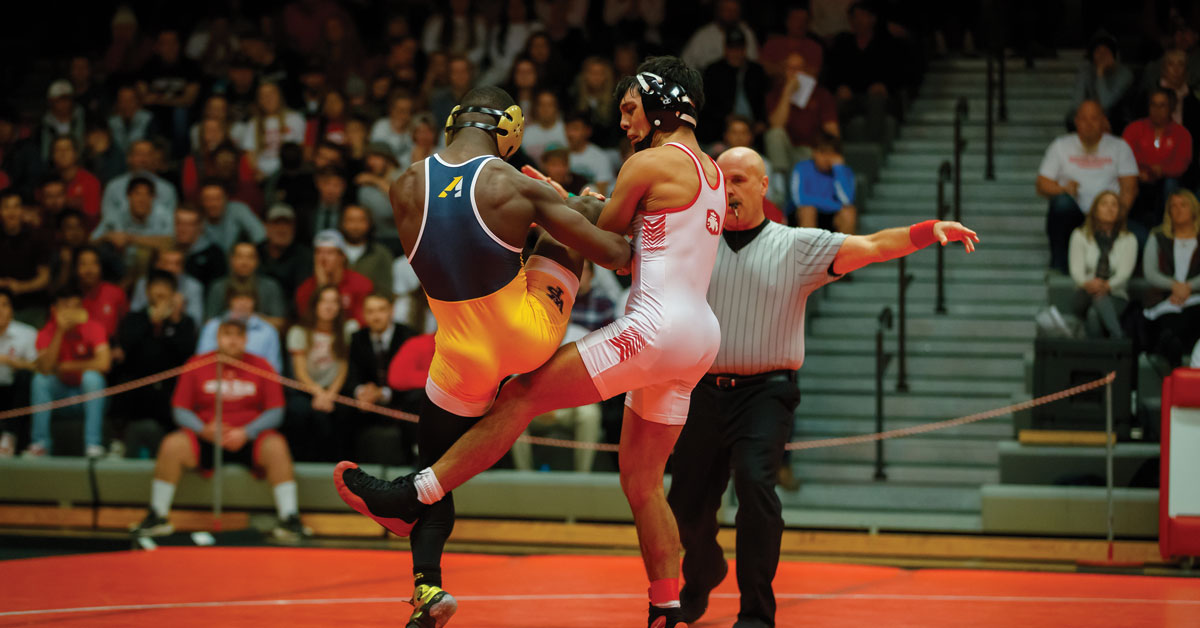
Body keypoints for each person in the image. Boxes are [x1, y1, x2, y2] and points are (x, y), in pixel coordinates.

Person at [337, 57, 734, 628]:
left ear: (658, 99)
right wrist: (553, 203)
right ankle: (666, 607)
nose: (624, 124)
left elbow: (611, 241)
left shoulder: (648, 162)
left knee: (523, 396)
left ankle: (413, 493)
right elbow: (611, 231)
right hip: (699, 337)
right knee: (643, 484)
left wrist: (561, 201)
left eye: (629, 109)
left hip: (650, 330)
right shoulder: (713, 171)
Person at [333, 84, 630, 628]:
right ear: (511, 131)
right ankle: (427, 592)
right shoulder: (510, 184)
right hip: (528, 330)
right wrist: (583, 206)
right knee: (585, 211)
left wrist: (544, 212)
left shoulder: (404, 185)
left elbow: (458, 240)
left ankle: (428, 585)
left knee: (433, 467)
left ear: (451, 124)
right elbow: (615, 256)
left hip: (457, 352)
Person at [669, 146, 978, 628]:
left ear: (764, 186)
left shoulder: (797, 245)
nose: (729, 190)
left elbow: (873, 246)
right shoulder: (695, 242)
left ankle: (756, 614)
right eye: (722, 180)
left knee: (755, 486)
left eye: (741, 180)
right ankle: (704, 568)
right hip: (700, 390)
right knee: (684, 504)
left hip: (765, 392)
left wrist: (926, 231)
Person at [128, 317, 310, 542]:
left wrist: (247, 432)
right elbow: (180, 408)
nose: (232, 341)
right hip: (206, 436)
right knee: (172, 445)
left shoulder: (262, 366)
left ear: (245, 339)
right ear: (217, 338)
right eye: (227, 334)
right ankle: (157, 516)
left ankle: (289, 518)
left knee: (277, 447)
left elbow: (276, 411)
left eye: (238, 335)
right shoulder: (197, 363)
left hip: (248, 436)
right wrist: (203, 429)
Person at [1037, 100, 1138, 273]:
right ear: (1076, 121)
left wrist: (1116, 216)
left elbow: (1130, 189)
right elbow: (1041, 184)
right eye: (1083, 119)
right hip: (1075, 216)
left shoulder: (1119, 147)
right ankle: (1059, 266)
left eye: (1094, 118)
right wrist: (1064, 189)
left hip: (1109, 215)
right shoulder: (1061, 146)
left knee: (1142, 239)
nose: (1088, 124)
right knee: (1061, 204)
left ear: (1104, 121)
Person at [111, 270, 197, 452]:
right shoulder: (134, 318)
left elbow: (187, 354)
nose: (160, 291)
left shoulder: (184, 322)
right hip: (138, 379)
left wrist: (173, 322)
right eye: (155, 286)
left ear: (174, 293)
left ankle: (176, 444)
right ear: (147, 291)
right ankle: (118, 440)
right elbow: (127, 349)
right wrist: (151, 322)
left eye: (165, 287)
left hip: (169, 382)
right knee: (122, 382)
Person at [27, 284, 112, 457]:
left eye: (76, 306)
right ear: (54, 310)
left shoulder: (93, 327)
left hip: (86, 396)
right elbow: (45, 368)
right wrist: (60, 331)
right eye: (66, 307)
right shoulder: (46, 332)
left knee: (92, 378)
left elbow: (104, 363)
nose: (71, 312)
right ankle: (40, 444)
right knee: (40, 380)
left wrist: (68, 366)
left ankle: (93, 445)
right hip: (60, 397)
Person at [344, 294, 419, 465]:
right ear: (363, 314)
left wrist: (382, 393)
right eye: (370, 311)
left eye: (381, 310)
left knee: (417, 400)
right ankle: (347, 466)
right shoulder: (358, 338)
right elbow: (352, 375)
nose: (376, 316)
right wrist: (361, 391)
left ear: (391, 311)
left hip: (400, 398)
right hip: (366, 402)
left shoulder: (408, 336)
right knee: (342, 410)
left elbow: (412, 379)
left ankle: (413, 464)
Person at [285, 284, 353, 462]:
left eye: (334, 302)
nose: (329, 306)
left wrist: (330, 394)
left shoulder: (346, 332)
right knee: (300, 412)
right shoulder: (299, 332)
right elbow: (300, 372)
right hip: (306, 390)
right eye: (324, 301)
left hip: (334, 391)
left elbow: (343, 368)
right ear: (315, 305)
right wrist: (318, 393)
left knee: (343, 414)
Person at [825, 2, 902, 142]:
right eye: (854, 17)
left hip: (877, 97)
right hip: (851, 96)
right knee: (835, 102)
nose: (858, 21)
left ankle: (873, 147)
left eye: (862, 16)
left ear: (873, 19)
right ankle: (831, 147)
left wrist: (885, 86)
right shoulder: (843, 43)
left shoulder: (886, 43)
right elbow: (832, 73)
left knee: (876, 98)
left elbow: (898, 73)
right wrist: (840, 87)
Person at [1142, 189, 1200, 368]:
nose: (1178, 209)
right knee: (1169, 324)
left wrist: (1189, 287)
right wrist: (1174, 287)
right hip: (1166, 301)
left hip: (1196, 300)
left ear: (1194, 209)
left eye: (1183, 205)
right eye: (1173, 206)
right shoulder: (1158, 236)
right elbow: (1150, 273)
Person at [1067, 191, 1137, 340]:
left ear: (1119, 211)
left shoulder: (1129, 239)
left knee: (1094, 314)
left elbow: (1124, 273)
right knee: (1097, 297)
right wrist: (1089, 284)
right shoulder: (1079, 235)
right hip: (1084, 293)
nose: (1109, 208)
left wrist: (1106, 286)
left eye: (1114, 205)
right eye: (1104, 204)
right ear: (1095, 209)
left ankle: (1098, 357)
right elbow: (1076, 271)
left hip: (1116, 294)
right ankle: (1119, 340)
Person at [1122, 88, 1193, 234]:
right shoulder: (1134, 128)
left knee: (1171, 183)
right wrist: (1137, 172)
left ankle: (1168, 229)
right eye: (1153, 105)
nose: (1157, 110)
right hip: (1137, 179)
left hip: (1166, 182)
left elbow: (1182, 164)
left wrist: (1162, 170)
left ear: (1171, 107)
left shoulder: (1182, 133)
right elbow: (1123, 156)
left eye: (1162, 105)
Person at [765, 51, 838, 175]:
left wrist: (823, 152)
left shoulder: (821, 94)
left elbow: (832, 131)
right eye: (790, 68)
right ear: (784, 71)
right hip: (785, 151)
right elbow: (776, 125)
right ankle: (780, 187)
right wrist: (787, 93)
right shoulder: (775, 94)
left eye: (798, 68)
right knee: (774, 134)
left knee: (810, 153)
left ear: (806, 71)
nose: (794, 73)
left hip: (811, 151)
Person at [698, 28, 768, 145]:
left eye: (739, 48)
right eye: (732, 48)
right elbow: (706, 105)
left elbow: (763, 102)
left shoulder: (756, 71)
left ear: (745, 49)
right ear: (725, 49)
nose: (735, 53)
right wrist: (724, 119)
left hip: (753, 129)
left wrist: (761, 122)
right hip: (719, 129)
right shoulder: (713, 71)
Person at [196, 281, 283, 374]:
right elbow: (201, 363)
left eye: (248, 298)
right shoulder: (212, 327)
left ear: (255, 301)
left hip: (254, 384)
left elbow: (274, 370)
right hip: (216, 381)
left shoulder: (268, 331)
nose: (243, 303)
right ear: (229, 301)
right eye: (238, 298)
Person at [296, 229, 373, 326]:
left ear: (342, 256)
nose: (323, 258)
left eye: (330, 253)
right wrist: (321, 288)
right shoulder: (305, 289)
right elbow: (306, 323)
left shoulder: (361, 284)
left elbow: (361, 324)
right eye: (318, 252)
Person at [0, 192, 52, 327]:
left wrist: (21, 287)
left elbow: (44, 277)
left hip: (32, 305)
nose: (12, 212)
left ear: (22, 210)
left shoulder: (37, 236)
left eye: (16, 207)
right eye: (6, 207)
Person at [790, 132, 857, 233]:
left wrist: (838, 170)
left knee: (849, 213)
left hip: (833, 217)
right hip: (807, 216)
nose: (827, 158)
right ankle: (808, 249)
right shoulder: (801, 168)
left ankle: (846, 249)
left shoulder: (844, 171)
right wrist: (835, 205)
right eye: (822, 153)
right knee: (808, 210)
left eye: (831, 154)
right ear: (814, 153)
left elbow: (847, 201)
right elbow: (800, 200)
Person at [0, 288, 38, 457]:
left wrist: (14, 362)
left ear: (12, 309)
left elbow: (37, 368)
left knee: (25, 377)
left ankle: (9, 436)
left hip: (15, 392)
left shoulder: (27, 333)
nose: (0, 310)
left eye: (4, 305)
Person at [1070, 33, 1134, 132]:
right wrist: (1088, 117)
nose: (1102, 55)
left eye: (1106, 51)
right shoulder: (1085, 72)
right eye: (1098, 51)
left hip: (1116, 117)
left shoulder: (1125, 74)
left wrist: (1100, 74)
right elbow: (1076, 103)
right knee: (1071, 119)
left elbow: (1105, 102)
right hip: (1091, 113)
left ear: (1113, 55)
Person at [130, 245, 205, 326]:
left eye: (177, 264)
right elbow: (134, 316)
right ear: (156, 264)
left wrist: (178, 313)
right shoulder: (143, 283)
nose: (171, 268)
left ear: (183, 268)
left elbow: (196, 324)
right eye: (166, 263)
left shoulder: (193, 286)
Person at [258, 204, 313, 311]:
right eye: (276, 223)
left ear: (294, 228)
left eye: (287, 224)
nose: (282, 229)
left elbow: (303, 294)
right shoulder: (255, 252)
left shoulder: (304, 256)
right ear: (266, 226)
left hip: (291, 317)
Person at [681, 0, 759, 71]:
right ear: (718, 11)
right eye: (727, 10)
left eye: (735, 11)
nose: (731, 14)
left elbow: (753, 63)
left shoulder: (746, 32)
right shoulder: (703, 36)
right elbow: (685, 65)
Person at [73, 245, 129, 339]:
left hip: (109, 347)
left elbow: (126, 325)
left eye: (94, 263)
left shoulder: (115, 293)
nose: (89, 269)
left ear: (101, 267)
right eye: (83, 264)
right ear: (75, 268)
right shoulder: (67, 296)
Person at [341, 204, 394, 297]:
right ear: (342, 223)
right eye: (351, 220)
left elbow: (386, 290)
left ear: (369, 223)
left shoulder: (381, 254)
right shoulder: (333, 252)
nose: (355, 226)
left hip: (370, 308)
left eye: (361, 220)